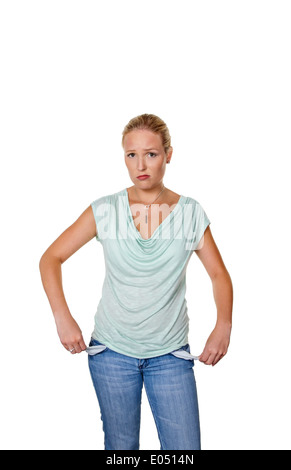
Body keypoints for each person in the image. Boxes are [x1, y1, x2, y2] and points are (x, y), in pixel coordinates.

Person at [39, 113, 233, 451]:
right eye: (132, 155)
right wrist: (62, 317)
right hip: (111, 352)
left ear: (168, 154)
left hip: (170, 354)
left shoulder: (189, 213)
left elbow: (219, 274)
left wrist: (224, 325)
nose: (141, 164)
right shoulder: (105, 210)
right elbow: (50, 258)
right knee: (122, 449)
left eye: (152, 154)